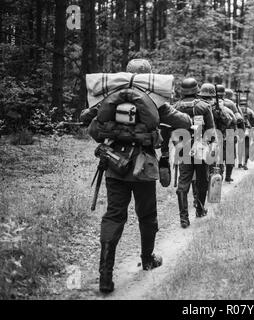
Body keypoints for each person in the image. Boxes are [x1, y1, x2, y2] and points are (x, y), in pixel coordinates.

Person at [83, 59, 192, 293]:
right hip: (143, 167)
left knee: (113, 216)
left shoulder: (112, 97)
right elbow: (182, 121)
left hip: (114, 164)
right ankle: (147, 259)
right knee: (147, 215)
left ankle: (105, 275)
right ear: (148, 76)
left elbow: (87, 119)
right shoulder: (153, 100)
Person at [173, 78, 215, 229]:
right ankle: (200, 209)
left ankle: (184, 219)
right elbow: (211, 131)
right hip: (201, 148)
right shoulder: (204, 106)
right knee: (202, 180)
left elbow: (168, 130)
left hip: (182, 148)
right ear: (197, 90)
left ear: (182, 91)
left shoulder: (175, 107)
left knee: (183, 182)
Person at [238, 96, 254, 170]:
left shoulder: (237, 110)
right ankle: (245, 163)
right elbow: (253, 125)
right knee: (246, 148)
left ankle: (239, 163)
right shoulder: (251, 112)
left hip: (240, 132)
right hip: (248, 132)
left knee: (240, 147)